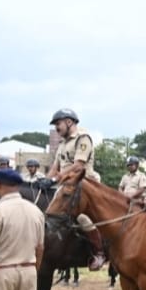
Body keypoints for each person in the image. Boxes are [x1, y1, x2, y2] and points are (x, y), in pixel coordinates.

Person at [44, 108, 106, 271]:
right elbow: (55, 167)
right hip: (64, 185)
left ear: (69, 122)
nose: (56, 127)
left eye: (58, 123)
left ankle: (99, 252)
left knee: (82, 217)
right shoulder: (62, 144)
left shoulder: (83, 138)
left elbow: (78, 165)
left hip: (83, 184)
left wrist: (55, 178)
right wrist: (44, 181)